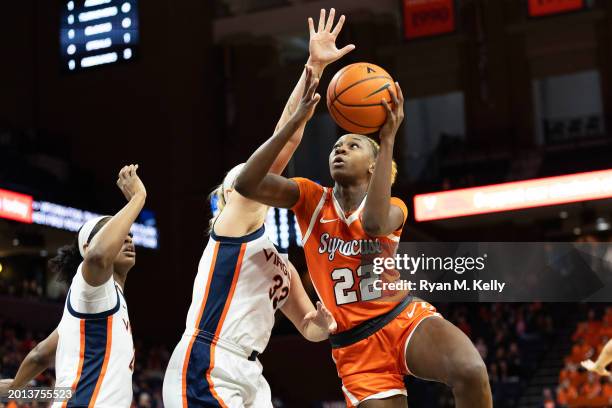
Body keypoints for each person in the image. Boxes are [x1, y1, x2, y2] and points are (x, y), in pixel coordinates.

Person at [234, 9, 492, 408]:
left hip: (403, 320)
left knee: (471, 371)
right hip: (355, 349)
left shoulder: (394, 207)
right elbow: (246, 184)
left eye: (352, 145)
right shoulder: (308, 197)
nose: (339, 148)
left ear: (374, 164)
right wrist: (294, 118)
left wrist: (387, 138)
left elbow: (371, 225)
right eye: (336, 145)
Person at [162, 64, 337, 407]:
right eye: (243, 179)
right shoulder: (231, 227)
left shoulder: (283, 267)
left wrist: (321, 321)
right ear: (230, 196)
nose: (255, 181)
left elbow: (308, 329)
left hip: (250, 371)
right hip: (209, 359)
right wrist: (312, 70)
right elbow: (280, 152)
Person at [0, 164, 146, 407]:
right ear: (87, 248)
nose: (127, 237)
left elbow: (40, 355)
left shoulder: (92, 309)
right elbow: (98, 257)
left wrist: (15, 389)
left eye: (129, 233)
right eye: (119, 234)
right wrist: (138, 198)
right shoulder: (93, 286)